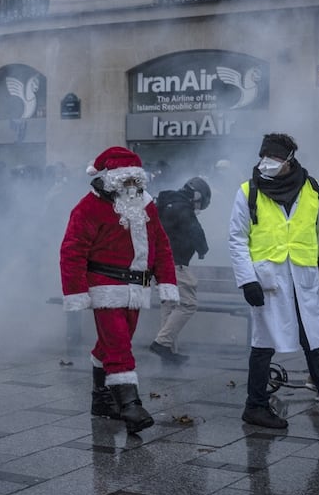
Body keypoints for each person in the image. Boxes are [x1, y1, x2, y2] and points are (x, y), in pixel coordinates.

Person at [227, 133, 319, 429]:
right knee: (262, 344)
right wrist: (246, 280)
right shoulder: (249, 191)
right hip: (268, 282)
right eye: (264, 157)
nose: (267, 164)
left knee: (315, 343)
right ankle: (255, 406)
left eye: (275, 159)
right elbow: (237, 240)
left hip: (303, 280)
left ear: (289, 161)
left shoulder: (313, 191)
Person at [59, 146, 178, 434]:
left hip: (137, 287)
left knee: (111, 344)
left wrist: (167, 282)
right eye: (127, 181)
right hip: (105, 286)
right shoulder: (87, 207)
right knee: (120, 345)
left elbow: (161, 245)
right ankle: (130, 405)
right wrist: (76, 292)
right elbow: (72, 251)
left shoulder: (146, 205)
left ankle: (100, 399)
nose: (132, 186)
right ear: (112, 178)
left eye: (136, 181)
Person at [149, 176, 210, 359]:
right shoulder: (183, 207)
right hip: (176, 263)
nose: (198, 209)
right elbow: (196, 232)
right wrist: (202, 249)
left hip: (159, 264)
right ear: (196, 196)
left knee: (169, 304)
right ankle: (162, 343)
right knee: (188, 304)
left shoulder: (165, 202)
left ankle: (169, 351)